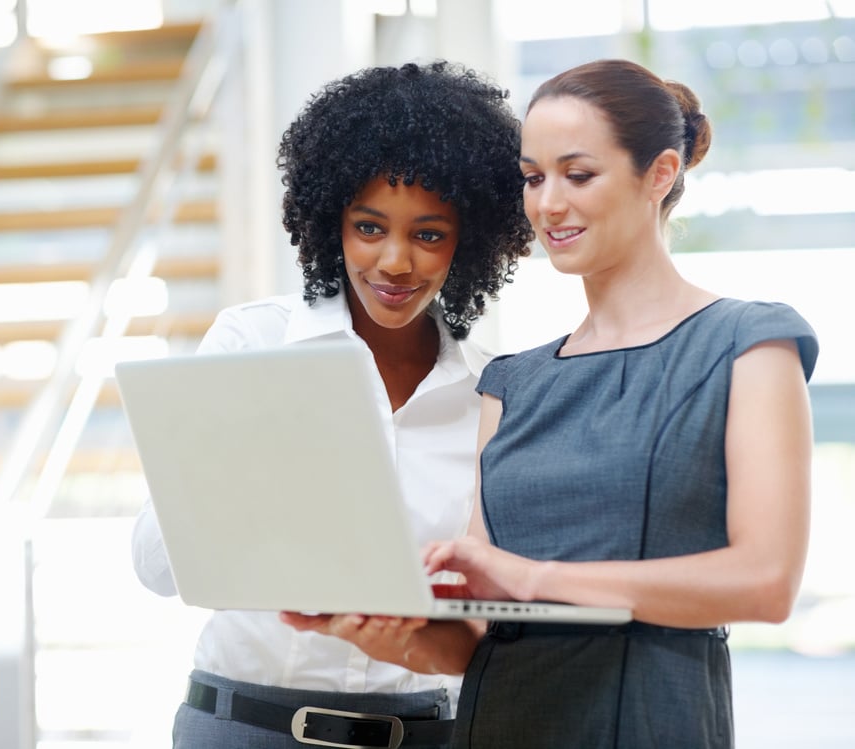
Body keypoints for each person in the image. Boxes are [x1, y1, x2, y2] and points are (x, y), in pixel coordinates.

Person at [283, 58, 819, 748]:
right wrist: (387, 629)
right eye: (533, 178)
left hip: (652, 719)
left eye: (579, 174)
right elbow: (473, 642)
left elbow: (765, 580)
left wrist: (532, 577)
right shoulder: (511, 383)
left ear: (658, 174)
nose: (547, 204)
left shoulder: (746, 344)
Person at [130, 60, 533, 748]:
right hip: (244, 726)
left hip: (428, 733)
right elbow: (158, 566)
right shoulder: (255, 339)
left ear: (469, 240)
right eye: (369, 227)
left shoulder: (495, 393)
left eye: (429, 233)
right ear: (332, 222)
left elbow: (488, 616)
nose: (396, 261)